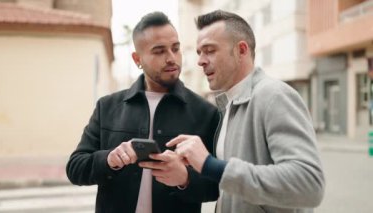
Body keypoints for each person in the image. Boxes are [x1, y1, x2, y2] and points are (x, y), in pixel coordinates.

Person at [167, 10, 325, 213]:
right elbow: (231, 185)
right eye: (199, 52)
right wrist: (188, 172)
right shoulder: (229, 106)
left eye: (210, 50)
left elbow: (309, 185)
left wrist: (209, 165)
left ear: (242, 50)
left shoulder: (274, 95)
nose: (201, 61)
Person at [66, 12, 219, 213]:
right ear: (137, 59)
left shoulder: (206, 113)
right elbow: (75, 169)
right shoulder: (107, 107)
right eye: (159, 51)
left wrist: (185, 178)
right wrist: (109, 159)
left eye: (175, 48)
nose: (171, 58)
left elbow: (217, 186)